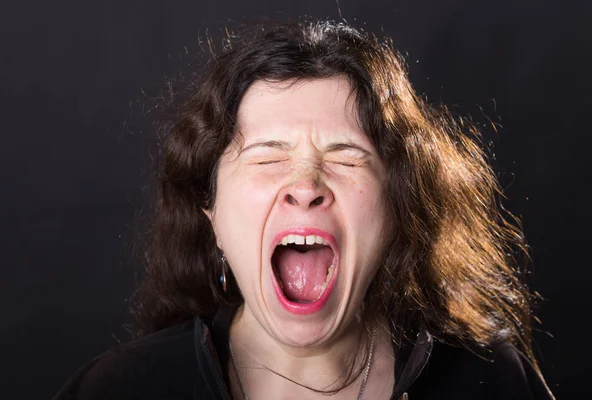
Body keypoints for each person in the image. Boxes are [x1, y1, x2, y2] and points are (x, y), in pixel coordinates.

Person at [54, 20, 555, 400]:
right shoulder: (120, 389)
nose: (305, 185)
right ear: (212, 211)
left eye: (345, 156)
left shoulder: (490, 377)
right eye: (269, 156)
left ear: (399, 206)